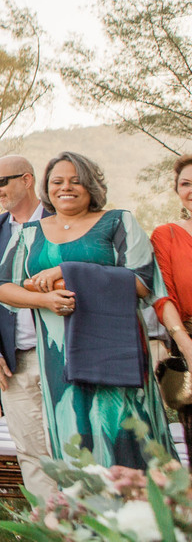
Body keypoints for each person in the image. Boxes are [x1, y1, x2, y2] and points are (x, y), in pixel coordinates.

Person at [0, 152, 176, 469]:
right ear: (46, 188)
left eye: (76, 181)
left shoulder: (119, 222)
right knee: (75, 439)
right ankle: (85, 517)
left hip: (116, 349)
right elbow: (5, 288)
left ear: (91, 186)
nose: (66, 187)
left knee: (125, 434)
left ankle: (145, 514)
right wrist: (45, 300)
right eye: (58, 182)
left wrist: (66, 270)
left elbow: (143, 282)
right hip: (58, 356)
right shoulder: (30, 233)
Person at [0, 155, 55, 499]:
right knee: (29, 448)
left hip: (59, 354)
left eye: (2, 181)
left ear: (27, 179)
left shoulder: (61, 220)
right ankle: (50, 528)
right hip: (13, 359)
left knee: (69, 447)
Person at [152, 154, 192, 469]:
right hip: (188, 337)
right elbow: (163, 295)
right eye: (185, 184)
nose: (191, 190)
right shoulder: (166, 235)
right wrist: (185, 343)